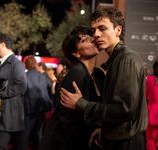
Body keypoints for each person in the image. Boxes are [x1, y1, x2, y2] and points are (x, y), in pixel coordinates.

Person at [60, 8, 148, 150]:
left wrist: (81, 104)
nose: (96, 35)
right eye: (94, 30)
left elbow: (124, 109)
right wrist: (104, 130)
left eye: (102, 29)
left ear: (118, 30)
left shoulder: (126, 60)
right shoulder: (115, 61)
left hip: (126, 143)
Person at [38, 25, 105, 150]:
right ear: (76, 53)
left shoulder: (99, 74)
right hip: (62, 142)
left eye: (91, 36)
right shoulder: (77, 73)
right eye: (84, 40)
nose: (92, 39)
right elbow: (67, 117)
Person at [0, 33, 27, 150]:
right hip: (0, 115)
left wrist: (0, 92)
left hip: (9, 116)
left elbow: (21, 86)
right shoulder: (1, 64)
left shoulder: (16, 64)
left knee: (1, 146)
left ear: (2, 45)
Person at [20, 55, 52, 150]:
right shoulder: (43, 76)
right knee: (38, 133)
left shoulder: (24, 76)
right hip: (42, 108)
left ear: (25, 65)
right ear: (35, 64)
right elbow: (50, 88)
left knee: (25, 133)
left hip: (29, 108)